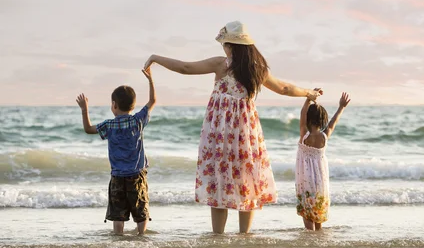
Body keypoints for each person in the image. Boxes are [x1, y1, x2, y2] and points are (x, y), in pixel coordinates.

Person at [143, 21, 322, 234]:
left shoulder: (221, 65)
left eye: (225, 44)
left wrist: (155, 58)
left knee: (219, 182)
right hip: (245, 133)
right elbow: (284, 88)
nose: (223, 48)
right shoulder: (257, 70)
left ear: (231, 46)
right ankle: (244, 236)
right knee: (245, 179)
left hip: (219, 133)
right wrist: (308, 93)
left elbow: (185, 68)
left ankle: (218, 236)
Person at [75, 68, 156, 235]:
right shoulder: (137, 121)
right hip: (137, 175)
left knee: (118, 213)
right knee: (140, 210)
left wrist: (84, 109)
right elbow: (153, 100)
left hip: (117, 176)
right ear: (133, 105)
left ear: (114, 105)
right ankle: (142, 236)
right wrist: (150, 80)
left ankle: (118, 239)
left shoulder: (109, 125)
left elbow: (88, 129)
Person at [296, 92, 350, 231]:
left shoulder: (304, 134)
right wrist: (341, 107)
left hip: (305, 179)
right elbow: (334, 122)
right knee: (318, 208)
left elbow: (302, 113)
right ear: (322, 119)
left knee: (307, 211)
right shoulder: (324, 137)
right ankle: (318, 236)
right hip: (321, 180)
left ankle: (310, 236)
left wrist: (308, 98)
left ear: (308, 118)